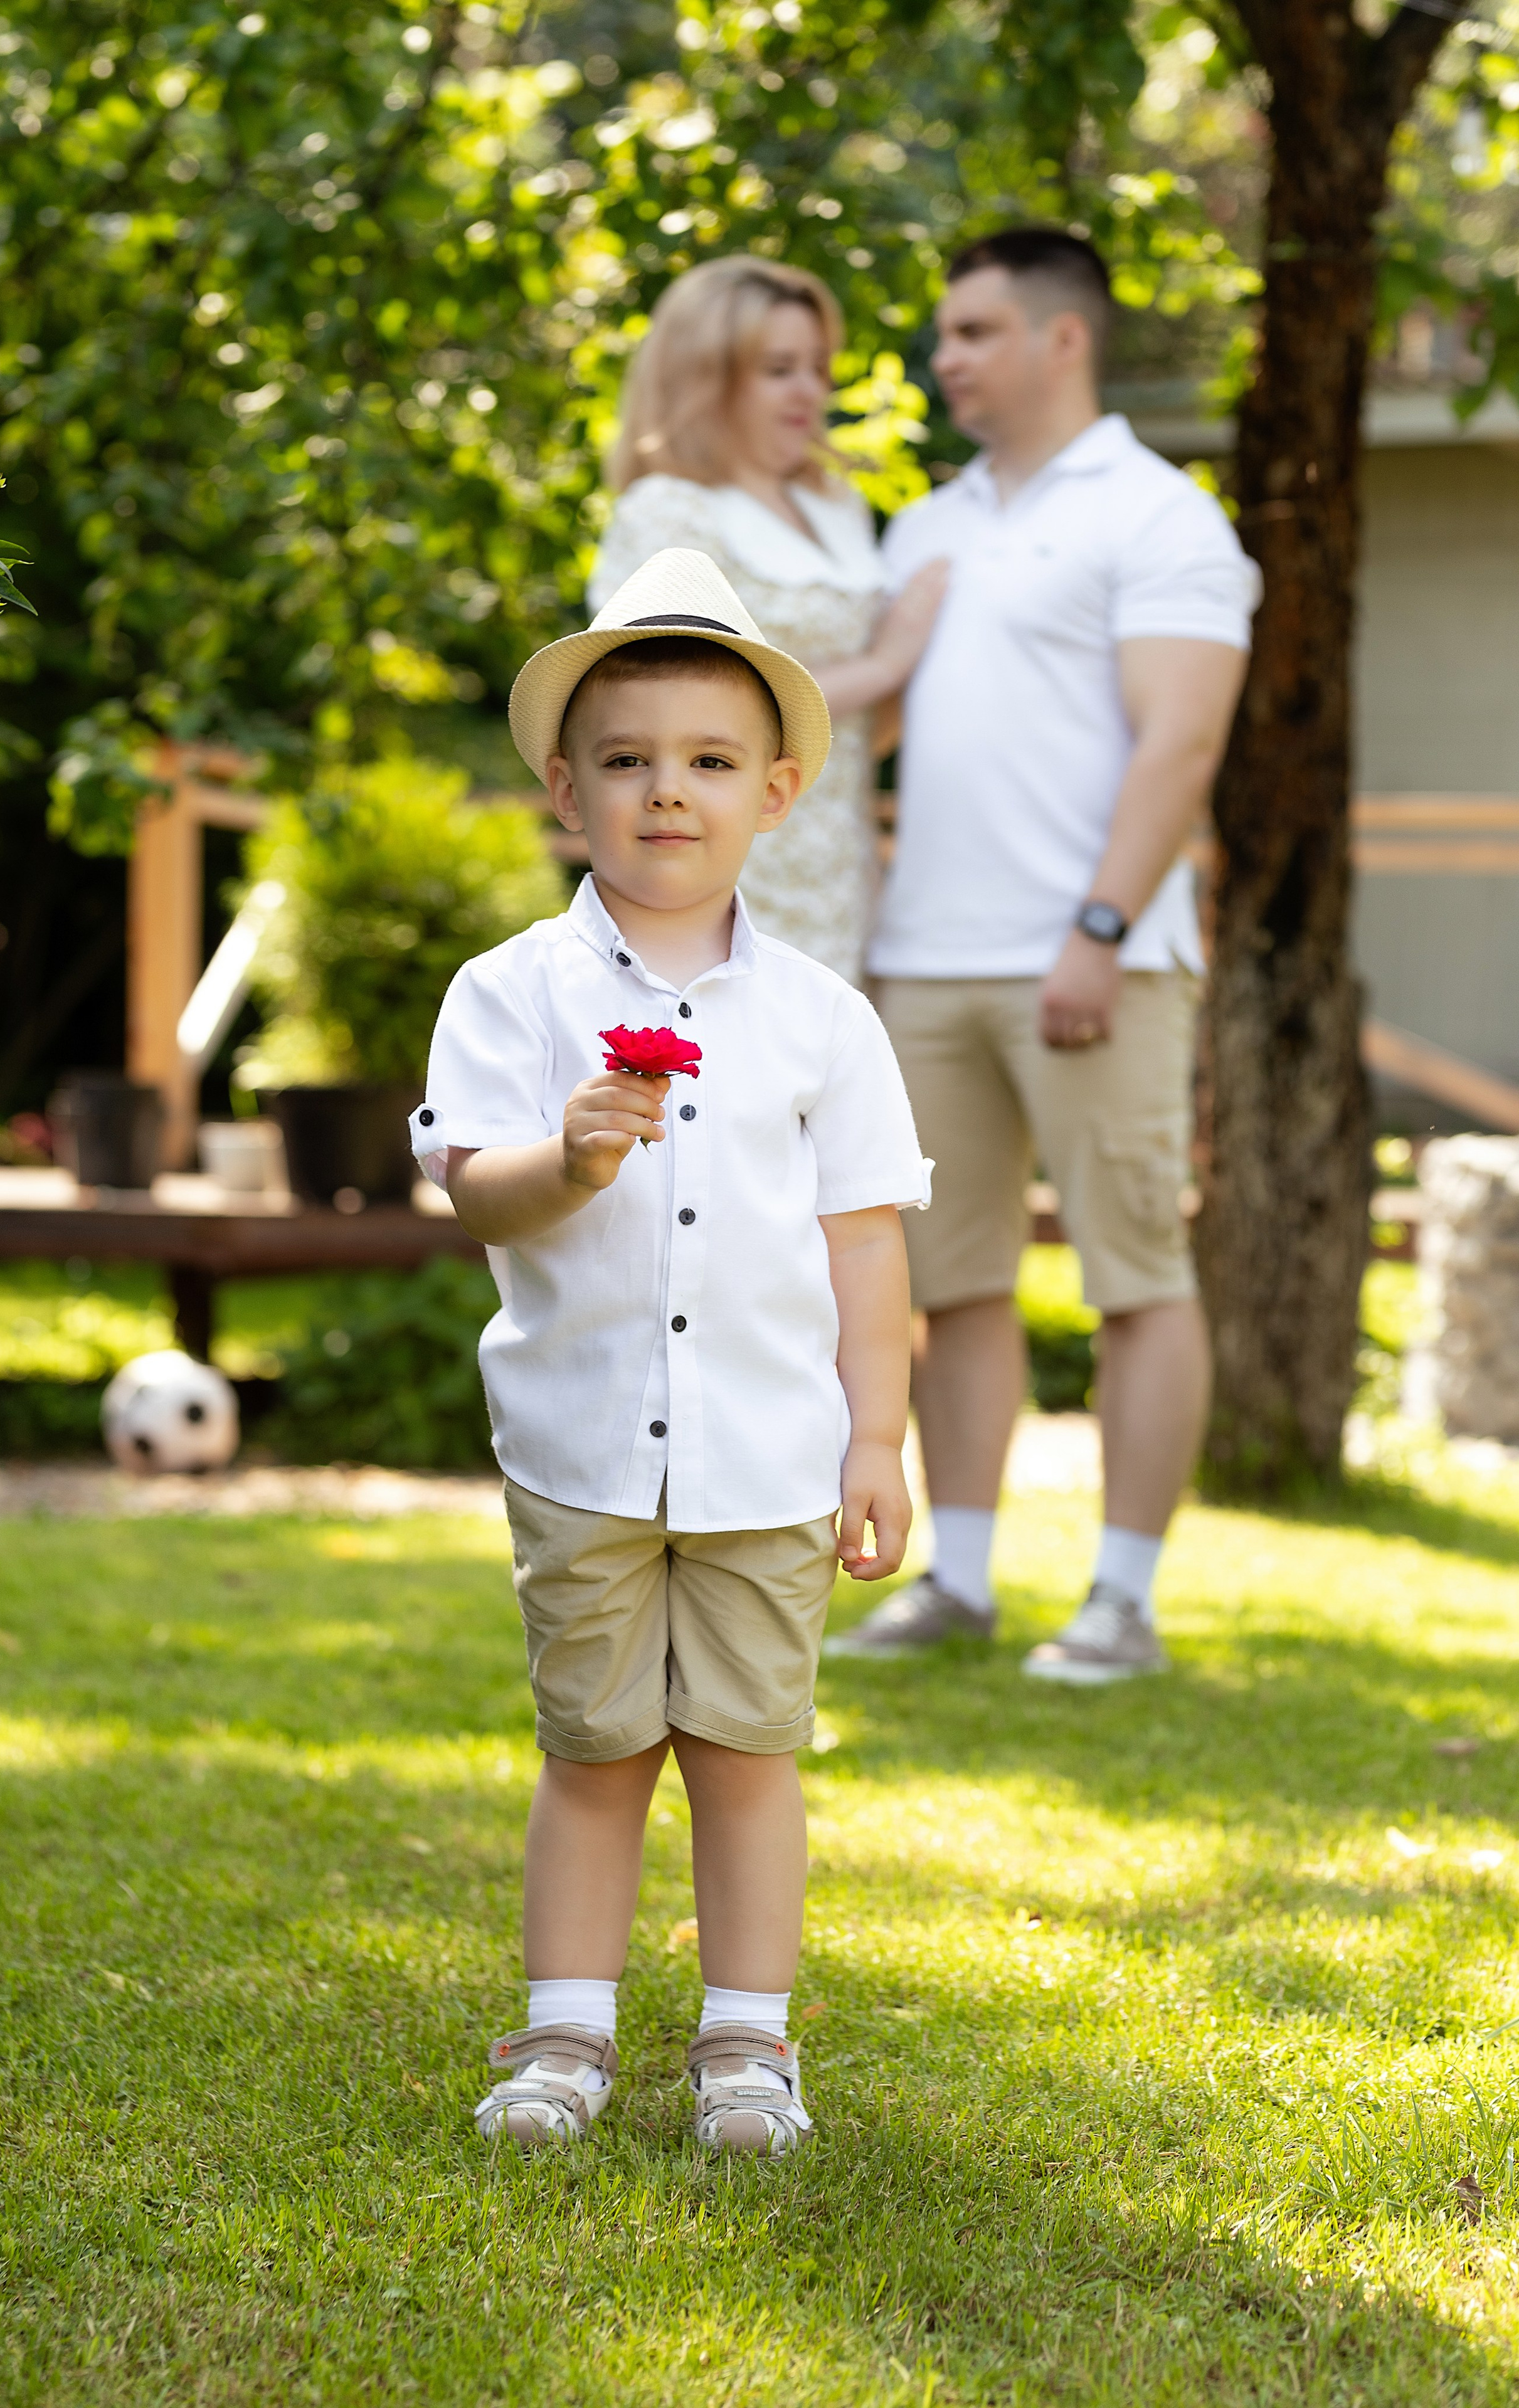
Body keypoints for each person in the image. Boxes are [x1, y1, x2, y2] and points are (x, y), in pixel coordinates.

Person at [408, 547, 929, 2152]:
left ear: (773, 793)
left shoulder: (822, 1020)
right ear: (565, 789)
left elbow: (864, 1239)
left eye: (707, 762)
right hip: (582, 1445)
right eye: (625, 761)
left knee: (746, 1746)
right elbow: (469, 1187)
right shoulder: (513, 995)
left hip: (769, 1451)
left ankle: (745, 2045)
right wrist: (566, 1158)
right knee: (595, 1744)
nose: (664, 794)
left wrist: (871, 1440)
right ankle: (563, 2031)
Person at [828, 228, 1259, 1683]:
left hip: (1097, 961)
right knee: (948, 1287)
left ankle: (1120, 1602)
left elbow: (1183, 739)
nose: (941, 358)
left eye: (970, 331)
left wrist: (1095, 926)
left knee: (1132, 1275)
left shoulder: (1158, 518)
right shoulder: (922, 528)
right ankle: (957, 1578)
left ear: (1059, 339)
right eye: (940, 335)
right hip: (920, 963)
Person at [588, 254, 948, 983]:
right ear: (707, 376)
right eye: (779, 369)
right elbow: (671, 704)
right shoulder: (668, 509)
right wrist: (882, 666)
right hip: (719, 881)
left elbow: (855, 728)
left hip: (845, 881)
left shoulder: (838, 508)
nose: (810, 391)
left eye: (819, 367)